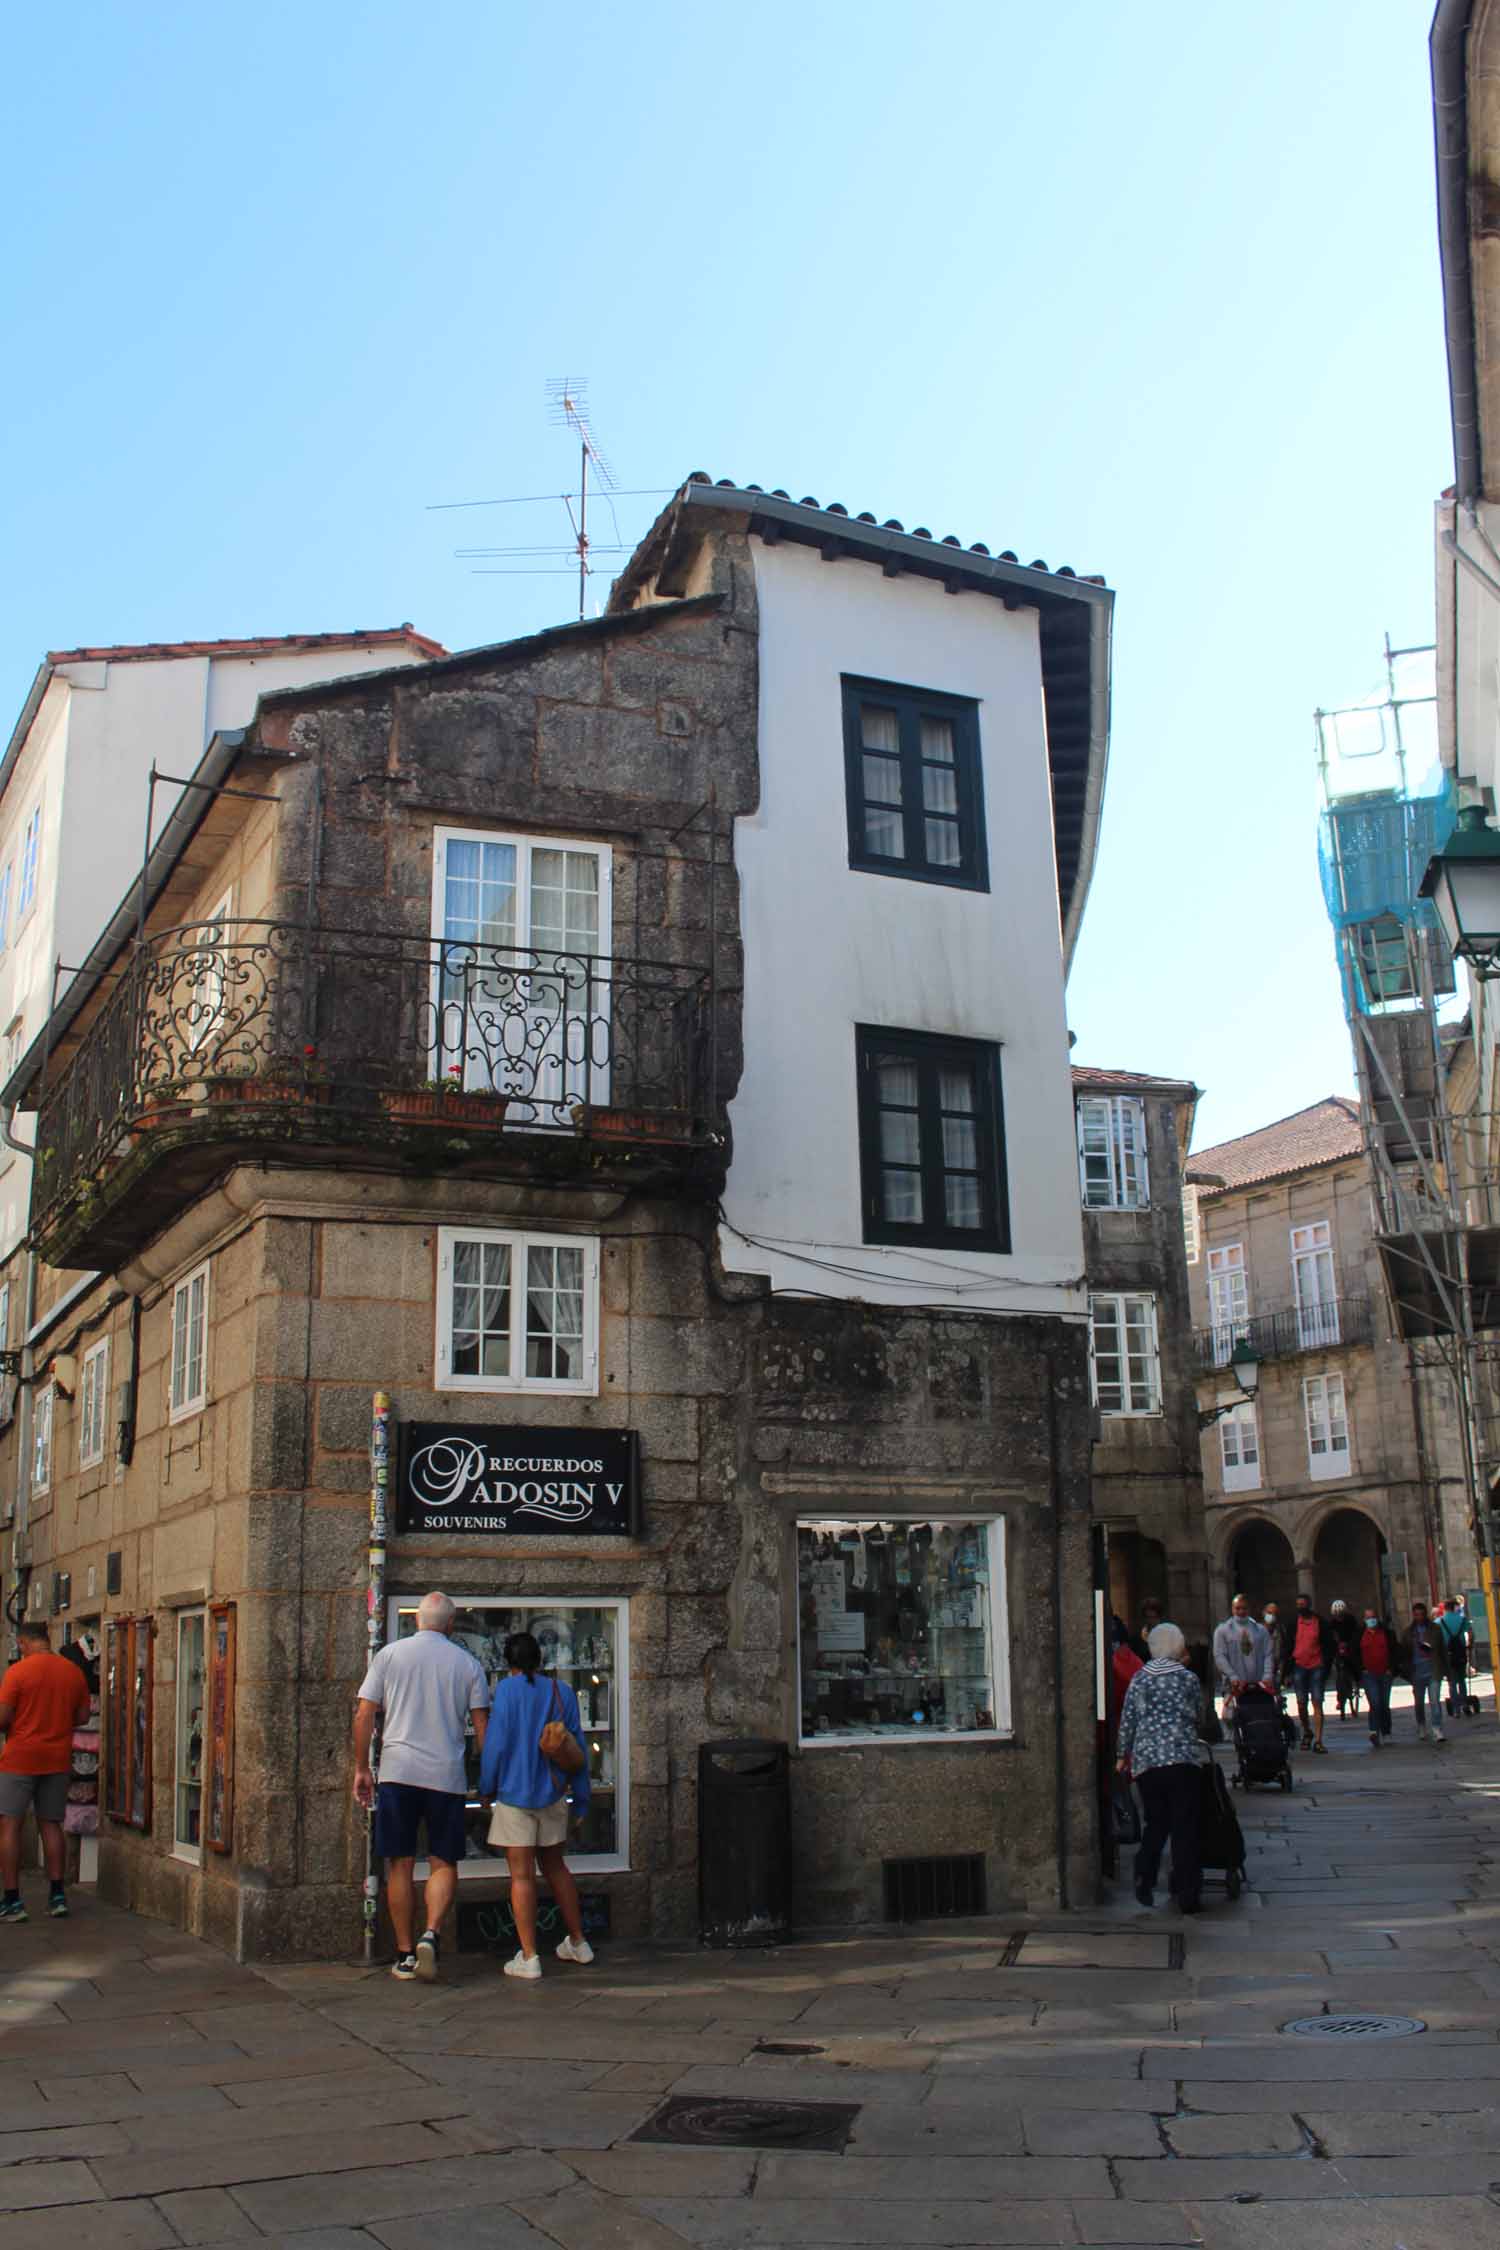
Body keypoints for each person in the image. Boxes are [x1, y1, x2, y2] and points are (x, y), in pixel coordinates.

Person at [353, 1590, 491, 1982]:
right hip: (446, 1775)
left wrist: (362, 1767)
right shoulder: (468, 1664)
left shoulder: (390, 1655)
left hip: (398, 1771)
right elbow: (482, 1728)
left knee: (398, 1862)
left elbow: (365, 1714)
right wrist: (489, 1778)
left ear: (417, 1620)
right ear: (450, 1624)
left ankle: (404, 1952)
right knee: (444, 1861)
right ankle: (431, 1932)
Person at [478, 1630, 594, 1979]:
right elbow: (578, 1749)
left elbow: (496, 1747)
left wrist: (486, 1788)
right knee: (556, 1867)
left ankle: (529, 1956)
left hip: (515, 1794)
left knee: (522, 1874)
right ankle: (578, 1941)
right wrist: (583, 1798)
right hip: (553, 1792)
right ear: (540, 1659)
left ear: (508, 1662)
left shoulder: (507, 1692)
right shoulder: (563, 1692)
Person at [0, 1622, 92, 1922]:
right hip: (57, 1758)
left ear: (25, 1641)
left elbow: (3, 1718)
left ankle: (13, 1900)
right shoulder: (72, 1672)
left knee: (10, 1825)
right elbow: (82, 1715)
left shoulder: (17, 1672)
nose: (21, 1649)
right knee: (51, 1824)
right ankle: (57, 1895)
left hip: (20, 1758)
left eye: (21, 1644)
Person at [1116, 1622, 1206, 1915]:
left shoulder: (1140, 1679)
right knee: (1185, 1826)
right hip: (1182, 1759)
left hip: (1148, 1762)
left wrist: (1122, 1755)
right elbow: (1199, 1715)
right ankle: (1188, 1891)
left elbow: (1128, 1719)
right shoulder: (1188, 1679)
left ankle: (1145, 1871)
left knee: (1156, 1822)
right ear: (1178, 1646)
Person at [1285, 1594, 1337, 1756]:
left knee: (1317, 1702)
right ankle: (1307, 1730)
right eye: (1298, 1604)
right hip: (1299, 1666)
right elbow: (1287, 1648)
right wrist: (1286, 1672)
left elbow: (1329, 1645)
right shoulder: (1293, 1623)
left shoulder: (1320, 1622)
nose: (1301, 1607)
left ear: (1309, 1605)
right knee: (1301, 1702)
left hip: (1316, 1666)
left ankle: (1319, 1740)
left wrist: (1325, 1665)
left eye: (1303, 1604)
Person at [1212, 1595, 1275, 1716]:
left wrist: (1267, 1676)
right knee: (1231, 1720)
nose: (1241, 1611)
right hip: (1234, 1687)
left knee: (1261, 1719)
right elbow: (1219, 1656)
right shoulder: (1222, 1631)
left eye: (1244, 1608)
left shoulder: (1261, 1630)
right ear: (1232, 1609)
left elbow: (1268, 1654)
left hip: (1259, 1686)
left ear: (1249, 1609)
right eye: (1237, 1608)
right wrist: (1232, 1676)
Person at [1402, 1602, 1447, 1744]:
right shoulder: (1408, 1632)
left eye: (1421, 1614)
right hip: (1417, 1671)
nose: (1419, 1617)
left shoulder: (1435, 1629)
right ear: (1413, 1615)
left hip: (1433, 1669)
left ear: (1425, 1614)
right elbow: (1404, 1652)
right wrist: (1406, 1671)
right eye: (1416, 1615)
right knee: (1419, 1702)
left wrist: (1447, 1670)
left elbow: (1442, 1650)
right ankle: (1421, 1725)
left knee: (1434, 1701)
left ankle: (1437, 1728)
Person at [1360, 1605, 1398, 1748]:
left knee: (1384, 1704)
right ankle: (1374, 1730)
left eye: (1373, 1617)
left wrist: (1391, 1669)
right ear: (1364, 1620)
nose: (1371, 1620)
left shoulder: (1386, 1634)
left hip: (1385, 1673)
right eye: (1368, 1618)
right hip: (1369, 1674)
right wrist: (1360, 1669)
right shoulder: (1361, 1635)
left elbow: (1394, 1651)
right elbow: (1354, 1653)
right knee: (1375, 1702)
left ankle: (1386, 1731)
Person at [1441, 1597, 1475, 1718]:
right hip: (1460, 1653)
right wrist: (1470, 1645)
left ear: (1445, 1608)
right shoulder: (1462, 1620)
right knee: (1462, 1681)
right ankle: (1465, 1704)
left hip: (1447, 1655)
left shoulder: (1440, 1622)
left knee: (1452, 1683)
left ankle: (1456, 1709)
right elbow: (1470, 1633)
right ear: (1455, 1607)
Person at [1329, 1600, 1364, 1720]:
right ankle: (1340, 1699)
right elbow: (1330, 1637)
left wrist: (1350, 1644)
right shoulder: (1332, 1623)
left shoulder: (1351, 1620)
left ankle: (1358, 1681)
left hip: (1350, 1648)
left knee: (1354, 1664)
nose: (1339, 1616)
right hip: (1338, 1650)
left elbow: (1356, 1634)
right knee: (1339, 1675)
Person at [1261, 1603, 1285, 1685]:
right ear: (1264, 1613)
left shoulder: (1280, 1629)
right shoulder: (1257, 1630)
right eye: (1269, 1613)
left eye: (1274, 1613)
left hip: (1277, 1668)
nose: (1272, 1616)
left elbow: (1283, 1648)